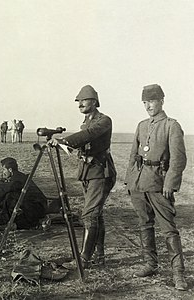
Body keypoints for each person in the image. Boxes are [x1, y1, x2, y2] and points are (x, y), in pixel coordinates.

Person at [125, 84, 188, 291]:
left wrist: (170, 184)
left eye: (151, 101)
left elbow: (178, 160)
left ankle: (178, 274)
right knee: (144, 224)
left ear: (162, 100)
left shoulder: (172, 126)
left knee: (169, 229)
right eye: (144, 102)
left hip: (160, 185)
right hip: (140, 184)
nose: (148, 106)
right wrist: (130, 181)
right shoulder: (142, 125)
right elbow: (134, 155)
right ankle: (151, 264)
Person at [50, 85, 116, 267]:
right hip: (88, 173)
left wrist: (66, 140)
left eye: (84, 100)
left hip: (101, 173)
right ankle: (99, 256)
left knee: (89, 214)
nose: (80, 104)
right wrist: (61, 144)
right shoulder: (85, 122)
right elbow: (83, 141)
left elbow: (89, 135)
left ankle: (84, 259)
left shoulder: (103, 121)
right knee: (96, 214)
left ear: (94, 102)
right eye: (78, 101)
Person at [0, 157, 48, 229]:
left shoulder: (16, 181)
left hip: (37, 209)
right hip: (37, 206)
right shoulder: (19, 176)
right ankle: (3, 215)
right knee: (10, 196)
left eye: (4, 170)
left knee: (9, 196)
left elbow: (1, 194)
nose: (3, 172)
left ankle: (6, 219)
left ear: (10, 170)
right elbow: (6, 183)